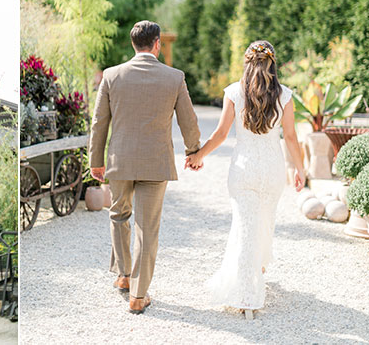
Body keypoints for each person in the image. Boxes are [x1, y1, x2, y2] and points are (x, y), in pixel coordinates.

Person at [185, 40, 305, 320]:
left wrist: (199, 155)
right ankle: (254, 278)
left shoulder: (235, 92)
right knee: (264, 223)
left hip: (243, 169)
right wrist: (300, 169)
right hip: (272, 170)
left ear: (247, 63)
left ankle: (246, 297)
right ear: (272, 65)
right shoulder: (285, 95)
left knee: (245, 227)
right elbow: (290, 137)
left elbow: (221, 134)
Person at [89, 20, 201, 314]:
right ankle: (138, 295)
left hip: (120, 161)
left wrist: (96, 161)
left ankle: (124, 276)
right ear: (157, 44)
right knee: (147, 228)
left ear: (133, 44)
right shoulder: (174, 77)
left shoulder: (112, 76)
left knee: (118, 215)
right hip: (156, 162)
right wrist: (193, 152)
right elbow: (188, 120)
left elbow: (99, 122)